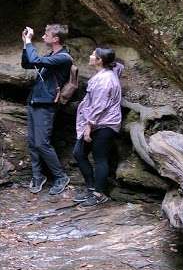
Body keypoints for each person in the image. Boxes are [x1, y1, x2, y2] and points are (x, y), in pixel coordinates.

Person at [21, 23, 74, 195]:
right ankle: (38, 176)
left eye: (46, 34)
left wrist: (30, 42)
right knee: (32, 143)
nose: (43, 36)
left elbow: (35, 60)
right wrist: (25, 43)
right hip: (35, 101)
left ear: (56, 38)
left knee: (42, 143)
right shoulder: (52, 55)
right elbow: (27, 63)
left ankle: (60, 177)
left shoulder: (63, 57)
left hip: (46, 104)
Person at [73, 47, 123, 207]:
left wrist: (89, 126)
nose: (90, 56)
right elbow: (119, 67)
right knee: (79, 153)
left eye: (93, 55)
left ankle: (99, 194)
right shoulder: (109, 72)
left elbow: (99, 106)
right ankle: (91, 187)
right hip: (99, 122)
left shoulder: (105, 80)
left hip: (104, 124)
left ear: (100, 60)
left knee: (100, 158)